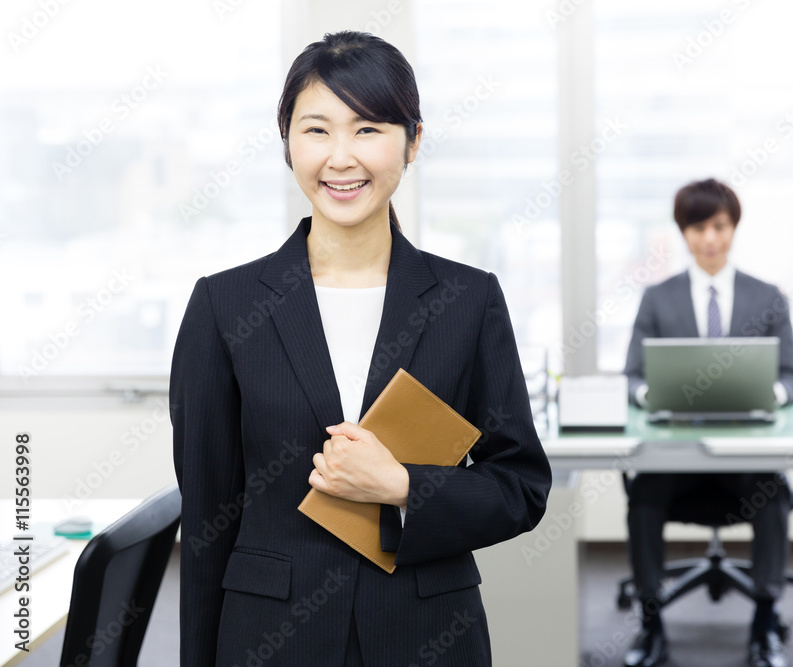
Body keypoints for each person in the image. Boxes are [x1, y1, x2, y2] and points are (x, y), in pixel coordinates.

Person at [170, 31, 551, 666]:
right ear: (287, 142)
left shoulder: (468, 299)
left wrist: (403, 487)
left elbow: (519, 488)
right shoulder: (224, 306)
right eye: (316, 130)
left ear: (414, 141)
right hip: (270, 637)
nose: (341, 157)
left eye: (368, 128)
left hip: (427, 632)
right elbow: (208, 523)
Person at [621, 178, 793, 667]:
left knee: (773, 494)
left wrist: (768, 393)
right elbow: (631, 378)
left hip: (746, 460)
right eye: (698, 227)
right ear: (683, 233)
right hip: (674, 459)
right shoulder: (657, 299)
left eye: (719, 226)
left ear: (733, 228)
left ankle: (765, 622)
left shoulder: (767, 297)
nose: (709, 238)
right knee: (642, 496)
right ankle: (650, 622)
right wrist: (650, 394)